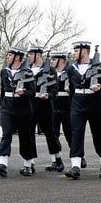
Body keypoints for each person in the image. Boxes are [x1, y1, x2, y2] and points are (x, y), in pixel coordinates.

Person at [0, 46, 36, 177]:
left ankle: (28, 165)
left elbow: (33, 92)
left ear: (17, 57)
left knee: (25, 137)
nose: (8, 57)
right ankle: (2, 164)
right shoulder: (5, 71)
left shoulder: (27, 72)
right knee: (6, 134)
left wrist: (25, 92)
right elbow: (3, 90)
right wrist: (3, 106)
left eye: (10, 55)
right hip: (8, 107)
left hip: (23, 108)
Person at [65, 41, 101, 179]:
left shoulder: (98, 67)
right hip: (77, 103)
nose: (74, 54)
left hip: (95, 103)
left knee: (98, 134)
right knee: (76, 133)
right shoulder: (71, 68)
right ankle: (75, 166)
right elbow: (72, 89)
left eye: (76, 51)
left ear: (84, 52)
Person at [27, 45, 64, 173]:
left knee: (50, 132)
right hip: (30, 104)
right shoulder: (27, 69)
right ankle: (29, 163)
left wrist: (49, 95)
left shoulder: (49, 70)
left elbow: (54, 88)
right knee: (29, 132)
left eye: (31, 54)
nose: (29, 56)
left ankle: (57, 160)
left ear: (38, 54)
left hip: (45, 105)